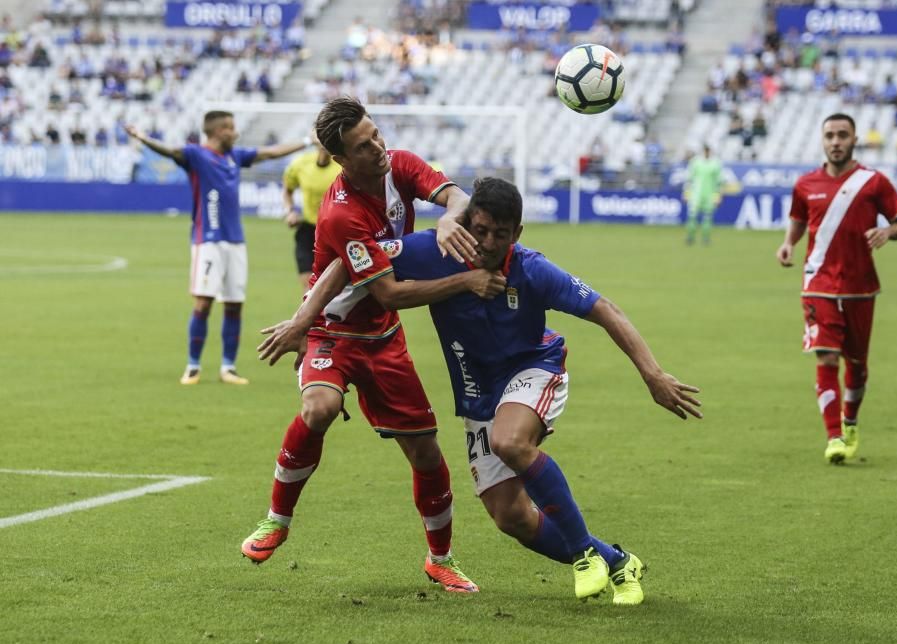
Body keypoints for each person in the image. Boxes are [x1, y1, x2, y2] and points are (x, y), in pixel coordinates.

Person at [259, 178, 703, 605]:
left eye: (501, 235)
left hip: (536, 368)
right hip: (481, 393)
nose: (488, 243)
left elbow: (604, 308)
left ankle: (584, 555)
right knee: (511, 517)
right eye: (481, 230)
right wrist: (303, 321)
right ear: (468, 222)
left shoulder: (532, 270)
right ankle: (617, 561)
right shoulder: (436, 251)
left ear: (518, 233)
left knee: (509, 441)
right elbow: (351, 261)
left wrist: (653, 375)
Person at [240, 97, 506, 594]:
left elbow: (456, 195)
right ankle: (277, 519)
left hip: (383, 339)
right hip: (333, 332)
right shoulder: (341, 214)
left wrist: (451, 214)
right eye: (364, 146)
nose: (378, 148)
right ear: (341, 159)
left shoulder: (399, 163)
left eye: (377, 134)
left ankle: (440, 559)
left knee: (426, 454)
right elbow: (390, 293)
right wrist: (467, 281)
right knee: (320, 407)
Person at [126, 111, 310, 385]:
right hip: (207, 240)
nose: (235, 133)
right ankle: (193, 366)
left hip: (236, 242)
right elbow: (170, 151)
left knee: (235, 305)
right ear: (217, 131)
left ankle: (228, 368)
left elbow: (270, 153)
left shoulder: (234, 156)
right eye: (230, 128)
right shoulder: (196, 155)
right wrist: (143, 138)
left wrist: (307, 140)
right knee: (203, 303)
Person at [775, 113, 897, 464]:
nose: (836, 141)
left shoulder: (874, 182)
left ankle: (850, 421)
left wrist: (887, 232)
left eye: (842, 135)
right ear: (823, 140)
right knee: (827, 356)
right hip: (818, 282)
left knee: (858, 366)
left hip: (861, 287)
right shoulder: (805, 184)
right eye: (830, 135)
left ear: (854, 139)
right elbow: (800, 220)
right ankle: (834, 436)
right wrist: (788, 243)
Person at [281, 143, 342, 289]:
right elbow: (287, 189)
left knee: (332, 291)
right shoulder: (301, 164)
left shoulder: (343, 167)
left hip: (334, 232)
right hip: (307, 231)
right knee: (309, 291)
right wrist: (290, 211)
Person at [684, 144, 723, 246]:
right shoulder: (695, 162)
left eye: (708, 150)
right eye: (705, 150)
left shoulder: (716, 163)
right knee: (692, 217)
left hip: (709, 195)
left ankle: (705, 238)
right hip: (696, 195)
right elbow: (689, 180)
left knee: (707, 217)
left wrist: (718, 196)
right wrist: (686, 194)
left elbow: (719, 182)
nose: (707, 152)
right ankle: (690, 237)